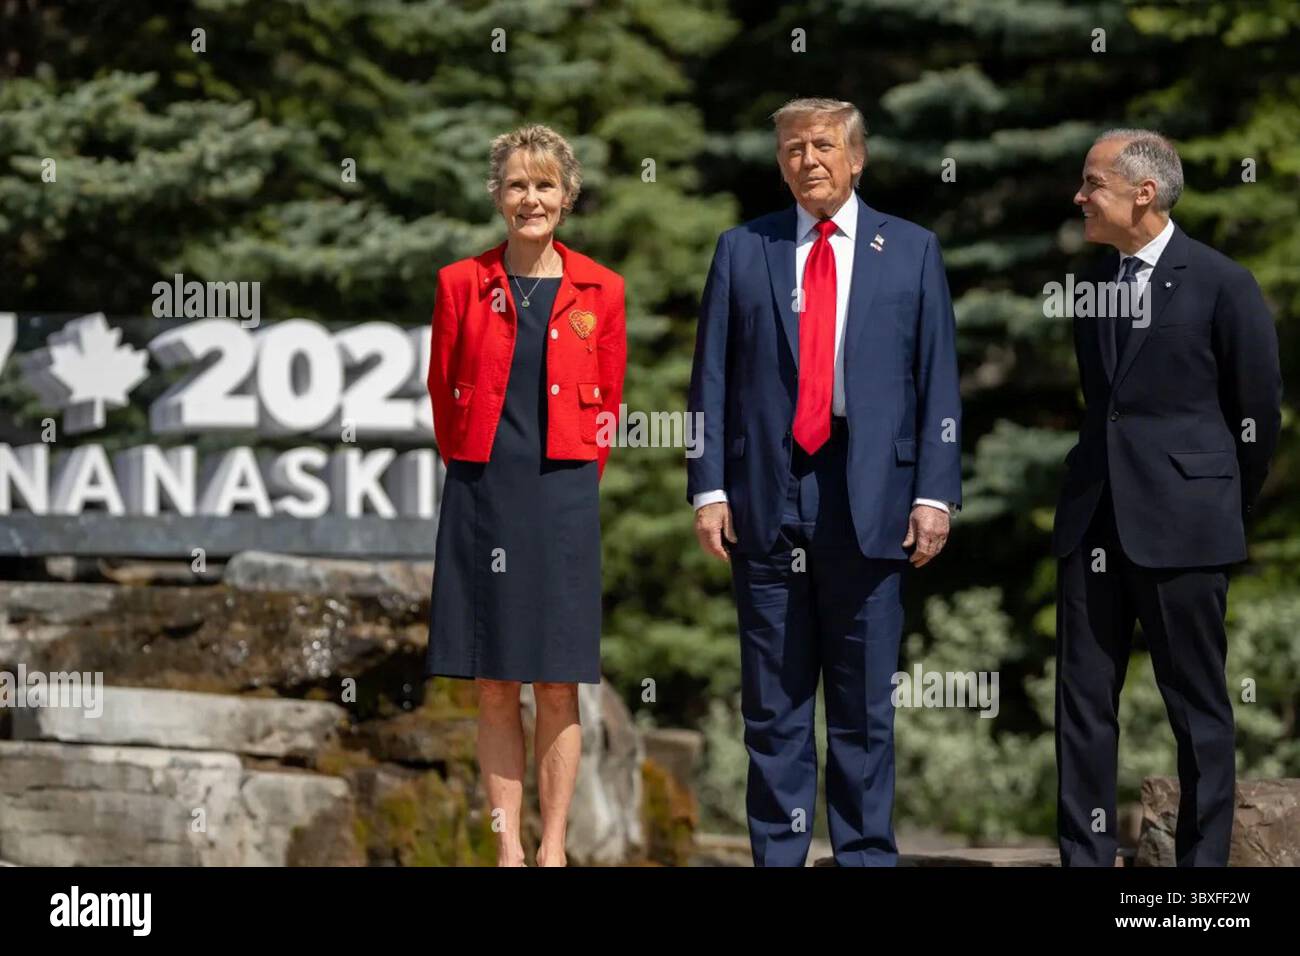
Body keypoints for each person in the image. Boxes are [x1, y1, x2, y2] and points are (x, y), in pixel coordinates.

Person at [687, 97, 962, 866]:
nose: (807, 161)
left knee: (863, 705)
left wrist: (934, 495)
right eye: (792, 149)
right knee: (773, 705)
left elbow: (937, 381)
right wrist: (708, 488)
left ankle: (865, 855)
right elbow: (710, 379)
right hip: (766, 493)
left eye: (822, 146)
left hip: (871, 493)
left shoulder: (909, 250)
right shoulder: (744, 249)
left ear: (856, 157)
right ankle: (778, 855)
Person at [1054, 129, 1282, 866]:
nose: (1080, 197)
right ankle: (1083, 857)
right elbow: (1103, 407)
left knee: (1198, 707)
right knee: (1083, 705)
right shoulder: (1092, 283)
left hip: (1186, 526)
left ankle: (1203, 869)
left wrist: (1216, 508)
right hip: (1092, 523)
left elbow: (1257, 416)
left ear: (1143, 193)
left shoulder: (1223, 282)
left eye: (1093, 184)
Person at [424, 124, 627, 867]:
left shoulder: (604, 289)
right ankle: (507, 852)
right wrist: (475, 464)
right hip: (482, 491)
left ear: (567, 198)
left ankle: (553, 852)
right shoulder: (458, 283)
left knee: (559, 683)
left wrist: (572, 481)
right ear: (497, 196)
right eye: (516, 184)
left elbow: (608, 404)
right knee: (493, 681)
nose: (530, 198)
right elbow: (442, 393)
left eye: (544, 186)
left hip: (563, 495)